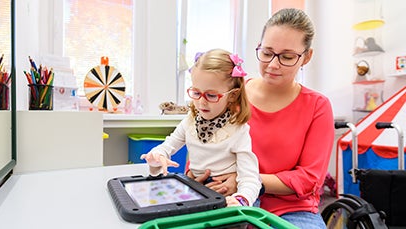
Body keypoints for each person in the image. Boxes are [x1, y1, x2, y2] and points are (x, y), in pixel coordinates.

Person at [189, 8, 335, 228]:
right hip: (225, 199)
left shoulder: (317, 106)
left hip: (290, 210)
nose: (273, 64)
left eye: (286, 57)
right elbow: (201, 142)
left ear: (306, 57)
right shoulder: (232, 95)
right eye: (267, 53)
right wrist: (197, 176)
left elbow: (309, 178)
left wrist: (248, 180)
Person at [140, 49, 262, 207]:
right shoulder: (190, 122)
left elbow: (251, 178)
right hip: (198, 190)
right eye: (196, 93)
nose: (201, 103)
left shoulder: (238, 130)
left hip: (230, 196)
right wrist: (157, 156)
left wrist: (241, 199)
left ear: (232, 95)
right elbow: (168, 146)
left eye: (211, 96)